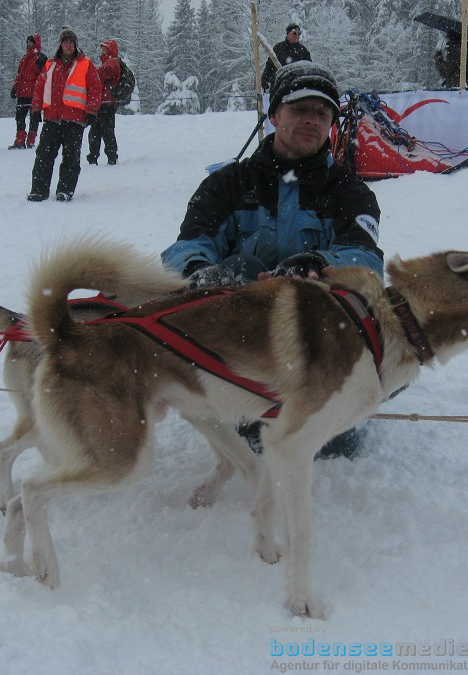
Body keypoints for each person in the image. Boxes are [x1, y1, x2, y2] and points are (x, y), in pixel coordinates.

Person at [161, 61, 383, 459]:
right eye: (300, 109)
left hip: (321, 342)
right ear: (275, 113)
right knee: (239, 270)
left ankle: (333, 408)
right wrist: (200, 273)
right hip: (244, 339)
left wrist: (317, 264)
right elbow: (186, 248)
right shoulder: (226, 184)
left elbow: (366, 261)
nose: (311, 120)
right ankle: (247, 401)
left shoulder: (352, 193)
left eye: (322, 113)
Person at [27, 28, 101, 202]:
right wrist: (36, 109)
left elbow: (95, 88)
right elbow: (39, 87)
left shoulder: (86, 64)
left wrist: (91, 110)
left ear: (75, 45)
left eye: (71, 42)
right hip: (52, 118)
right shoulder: (50, 64)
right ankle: (39, 190)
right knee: (43, 156)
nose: (68, 45)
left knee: (71, 158)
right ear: (60, 44)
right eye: (65, 42)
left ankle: (65, 191)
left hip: (74, 120)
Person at [87, 38, 121, 166]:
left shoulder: (111, 63)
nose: (102, 51)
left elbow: (97, 76)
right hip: (104, 102)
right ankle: (106, 156)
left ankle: (104, 157)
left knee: (101, 131)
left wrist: (88, 65)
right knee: (102, 130)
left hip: (105, 103)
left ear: (110, 49)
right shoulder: (110, 62)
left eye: (104, 48)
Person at [10, 35, 47, 149]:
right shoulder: (24, 58)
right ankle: (20, 140)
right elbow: (19, 75)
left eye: (31, 42)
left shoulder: (41, 58)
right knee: (19, 117)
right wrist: (15, 87)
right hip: (22, 93)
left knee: (34, 118)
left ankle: (31, 140)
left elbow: (44, 76)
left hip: (34, 93)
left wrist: (40, 91)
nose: (29, 44)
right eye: (28, 42)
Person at [261, 23, 312, 92]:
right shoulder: (278, 48)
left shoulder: (303, 51)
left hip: (297, 89)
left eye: (299, 33)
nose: (297, 36)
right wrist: (265, 80)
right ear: (288, 34)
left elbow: (309, 69)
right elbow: (270, 66)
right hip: (278, 87)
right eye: (294, 33)